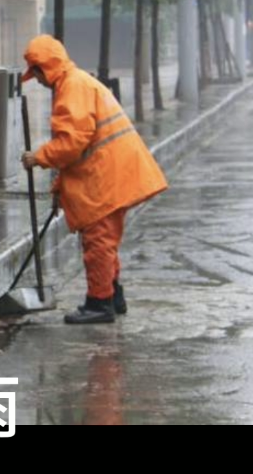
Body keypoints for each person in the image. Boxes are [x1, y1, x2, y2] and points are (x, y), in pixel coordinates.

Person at [19, 35, 167, 324]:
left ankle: (100, 304)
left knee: (98, 242)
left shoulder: (72, 88)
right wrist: (60, 188)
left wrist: (39, 157)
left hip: (107, 178)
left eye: (35, 74)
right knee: (105, 241)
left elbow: (72, 143)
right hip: (112, 173)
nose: (36, 80)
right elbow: (79, 149)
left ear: (44, 68)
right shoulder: (76, 82)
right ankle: (114, 296)